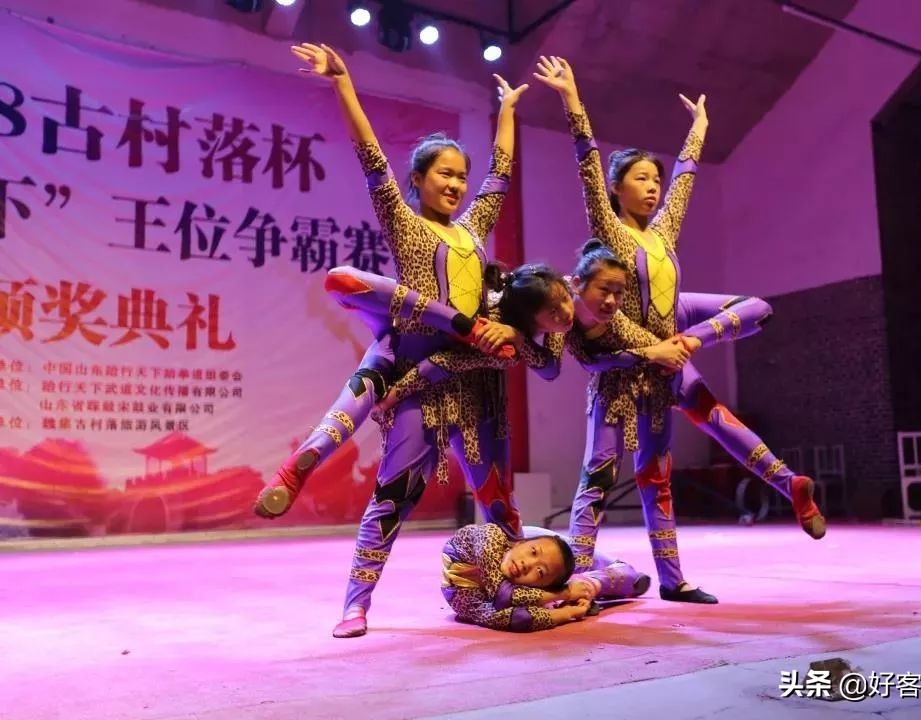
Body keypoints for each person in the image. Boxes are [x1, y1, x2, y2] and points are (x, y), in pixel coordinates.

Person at [535, 54, 826, 604]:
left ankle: (700, 557)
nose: (652, 188)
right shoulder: (609, 232)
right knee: (599, 476)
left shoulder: (664, 234)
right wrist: (572, 101)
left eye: (655, 180)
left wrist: (698, 133)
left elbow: (686, 183)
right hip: (625, 369)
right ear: (617, 189)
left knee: (750, 325)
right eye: (641, 179)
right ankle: (569, 577)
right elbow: (586, 166)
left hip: (674, 347)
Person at [278, 42, 536, 639]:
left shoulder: (473, 230)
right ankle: (356, 603)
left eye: (460, 176)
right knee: (392, 498)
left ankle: (524, 583)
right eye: (444, 173)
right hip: (421, 384)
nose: (457, 183)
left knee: (499, 504)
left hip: (478, 384)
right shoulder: (404, 220)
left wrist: (508, 113)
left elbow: (500, 174)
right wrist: (343, 82)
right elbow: (369, 155)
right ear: (417, 179)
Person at [442, 523, 650, 632]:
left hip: (536, 542)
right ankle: (593, 583)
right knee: (556, 567)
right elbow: (513, 615)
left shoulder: (492, 536)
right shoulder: (464, 599)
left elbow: (507, 598)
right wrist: (568, 609)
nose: (527, 564)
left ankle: (619, 569)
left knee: (568, 554)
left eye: (538, 570)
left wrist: (562, 591)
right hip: (535, 569)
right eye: (532, 555)